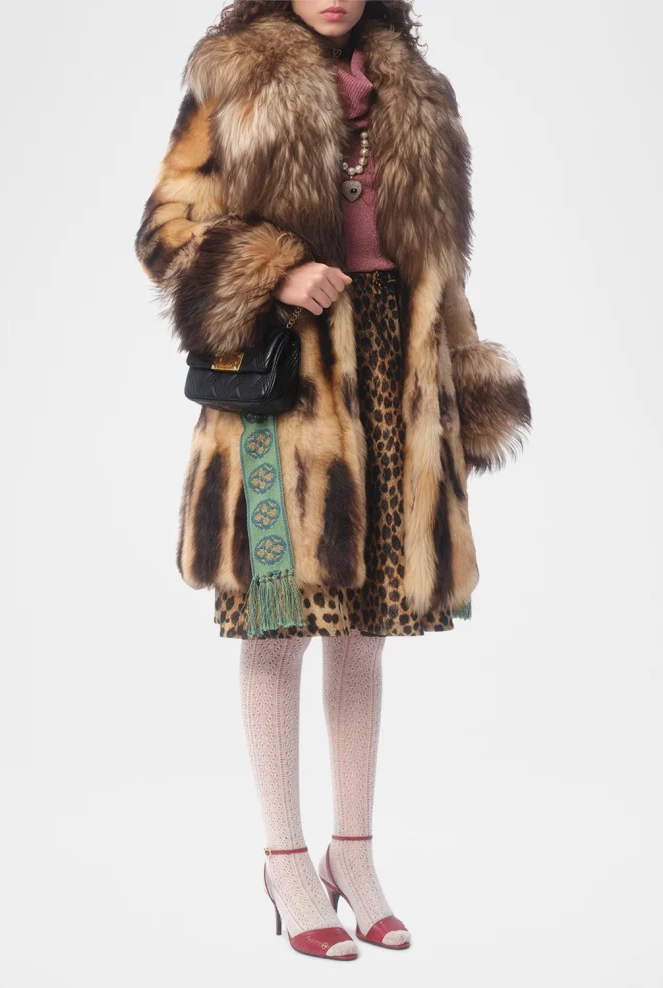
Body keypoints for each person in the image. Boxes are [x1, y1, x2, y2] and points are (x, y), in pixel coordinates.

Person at [135, 0, 531, 960]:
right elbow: (164, 230)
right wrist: (273, 270)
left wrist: (466, 382)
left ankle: (353, 854)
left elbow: (442, 266)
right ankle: (285, 862)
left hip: (397, 371)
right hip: (287, 381)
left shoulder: (418, 92)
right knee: (278, 621)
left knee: (364, 629)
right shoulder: (233, 76)